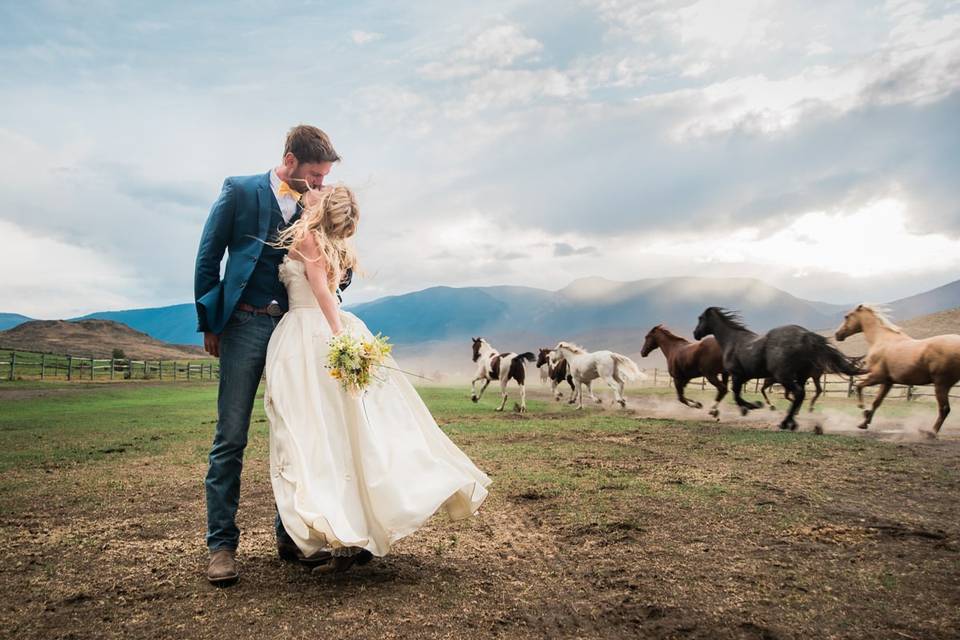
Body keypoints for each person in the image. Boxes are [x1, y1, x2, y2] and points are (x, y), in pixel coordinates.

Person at [264, 184, 490, 574]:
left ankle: (343, 532)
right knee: (345, 436)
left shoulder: (307, 238)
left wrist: (340, 342)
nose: (312, 191)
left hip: (308, 338)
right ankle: (352, 531)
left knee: (314, 434)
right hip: (328, 330)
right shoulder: (331, 243)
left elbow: (320, 291)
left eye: (318, 189)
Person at [194, 125, 349, 586]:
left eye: (324, 176)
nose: (320, 183)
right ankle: (221, 546)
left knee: (296, 433)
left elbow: (332, 263)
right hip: (242, 325)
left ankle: (292, 535)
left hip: (294, 328)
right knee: (231, 436)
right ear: (289, 161)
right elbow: (209, 256)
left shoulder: (316, 205)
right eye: (315, 175)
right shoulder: (239, 190)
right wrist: (211, 322)